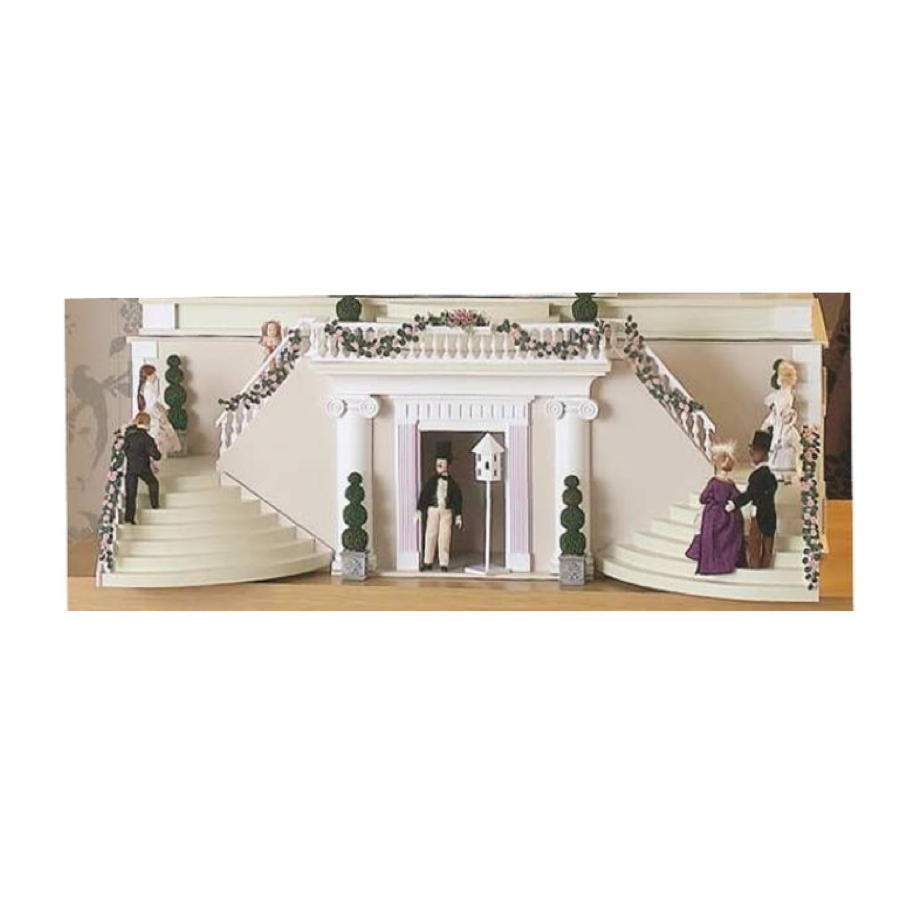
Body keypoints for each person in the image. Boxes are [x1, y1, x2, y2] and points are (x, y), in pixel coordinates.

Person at [685, 441, 746, 575]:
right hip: (727, 514)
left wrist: (711, 501)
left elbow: (703, 497)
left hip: (714, 515)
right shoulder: (730, 484)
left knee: (706, 530)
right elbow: (737, 496)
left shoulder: (713, 483)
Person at [726, 430, 778, 568]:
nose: (751, 454)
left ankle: (755, 567)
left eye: (754, 451)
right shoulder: (770, 475)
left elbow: (750, 494)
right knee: (767, 544)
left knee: (755, 543)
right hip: (770, 514)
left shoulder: (758, 475)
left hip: (759, 514)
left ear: (763, 454)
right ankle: (764, 566)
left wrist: (735, 503)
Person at [416, 441, 463, 571]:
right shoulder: (431, 482)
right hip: (433, 511)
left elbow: (457, 498)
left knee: (444, 537)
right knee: (430, 535)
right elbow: (424, 495)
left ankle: (444, 563)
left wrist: (458, 514)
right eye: (438, 461)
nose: (440, 464)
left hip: (446, 512)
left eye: (443, 461)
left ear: (448, 464)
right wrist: (419, 509)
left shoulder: (452, 484)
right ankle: (428, 561)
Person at [762, 358, 800, 483]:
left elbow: (782, 410)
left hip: (784, 424)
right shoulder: (782, 395)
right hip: (781, 423)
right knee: (781, 446)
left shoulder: (787, 395)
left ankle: (785, 474)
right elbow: (777, 410)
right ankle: (780, 473)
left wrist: (788, 416)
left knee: (785, 447)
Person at [123, 412, 162, 524]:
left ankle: (129, 519)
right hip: (143, 467)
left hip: (131, 468)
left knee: (131, 494)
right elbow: (155, 455)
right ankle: (154, 506)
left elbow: (124, 449)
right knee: (153, 483)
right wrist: (156, 455)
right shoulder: (147, 438)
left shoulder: (129, 437)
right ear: (147, 423)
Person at [137, 363, 181, 457]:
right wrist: (160, 416)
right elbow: (152, 405)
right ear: (148, 375)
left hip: (152, 413)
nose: (155, 376)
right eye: (153, 374)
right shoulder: (148, 389)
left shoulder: (146, 387)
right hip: (153, 415)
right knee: (157, 436)